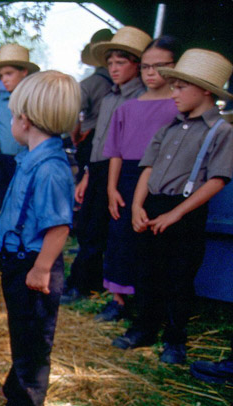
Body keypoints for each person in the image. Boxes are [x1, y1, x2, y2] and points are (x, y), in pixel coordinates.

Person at [113, 49, 233, 364]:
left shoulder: (220, 131)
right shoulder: (167, 127)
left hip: (185, 210)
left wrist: (177, 212)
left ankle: (175, 340)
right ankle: (144, 328)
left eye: (180, 87)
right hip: (153, 204)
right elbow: (147, 168)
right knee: (146, 271)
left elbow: (217, 180)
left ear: (205, 89)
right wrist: (138, 205)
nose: (174, 93)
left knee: (179, 277)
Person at [0, 71, 81, 406]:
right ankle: (17, 388)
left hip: (34, 265)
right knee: (21, 329)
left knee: (33, 338)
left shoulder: (51, 169)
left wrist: (41, 269)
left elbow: (58, 226)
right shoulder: (32, 158)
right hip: (20, 261)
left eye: (12, 116)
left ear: (24, 121)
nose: (11, 122)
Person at [63, 27, 151, 302]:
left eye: (120, 63)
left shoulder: (141, 98)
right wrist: (88, 173)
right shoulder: (110, 96)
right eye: (110, 63)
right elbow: (101, 140)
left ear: (137, 66)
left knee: (108, 230)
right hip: (99, 167)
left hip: (124, 170)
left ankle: (91, 285)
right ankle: (83, 281)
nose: (113, 68)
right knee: (88, 225)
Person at [97, 37, 180, 322]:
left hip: (162, 178)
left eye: (160, 66)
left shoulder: (179, 107)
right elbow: (115, 151)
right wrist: (111, 188)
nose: (150, 72)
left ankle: (148, 302)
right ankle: (118, 299)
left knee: (151, 242)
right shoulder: (127, 107)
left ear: (176, 67)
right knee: (120, 237)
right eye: (145, 66)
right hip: (126, 177)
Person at [0, 44, 40, 222]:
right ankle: (2, 246)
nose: (4, 80)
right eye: (1, 76)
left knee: (26, 207)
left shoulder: (36, 100)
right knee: (0, 207)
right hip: (1, 162)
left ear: (24, 71)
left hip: (29, 161)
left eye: (9, 74)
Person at [72, 29, 114, 186]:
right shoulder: (125, 84)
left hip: (91, 139)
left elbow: (73, 113)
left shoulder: (88, 84)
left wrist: (76, 135)